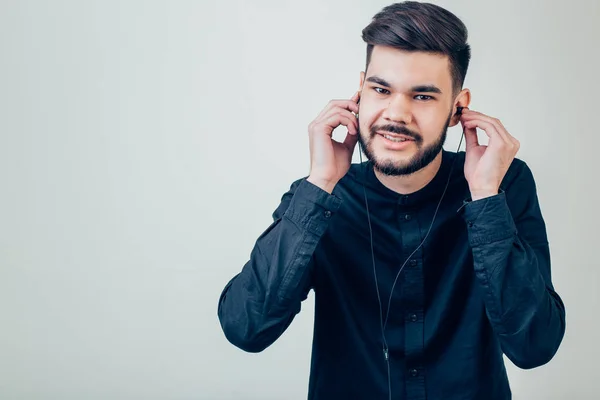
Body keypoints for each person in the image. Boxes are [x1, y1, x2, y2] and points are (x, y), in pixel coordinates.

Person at [216, 2, 566, 399]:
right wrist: (320, 184)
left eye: (422, 96)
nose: (396, 114)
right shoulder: (319, 196)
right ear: (360, 90)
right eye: (381, 90)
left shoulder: (503, 184)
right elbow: (245, 328)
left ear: (457, 108)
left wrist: (485, 197)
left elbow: (535, 345)